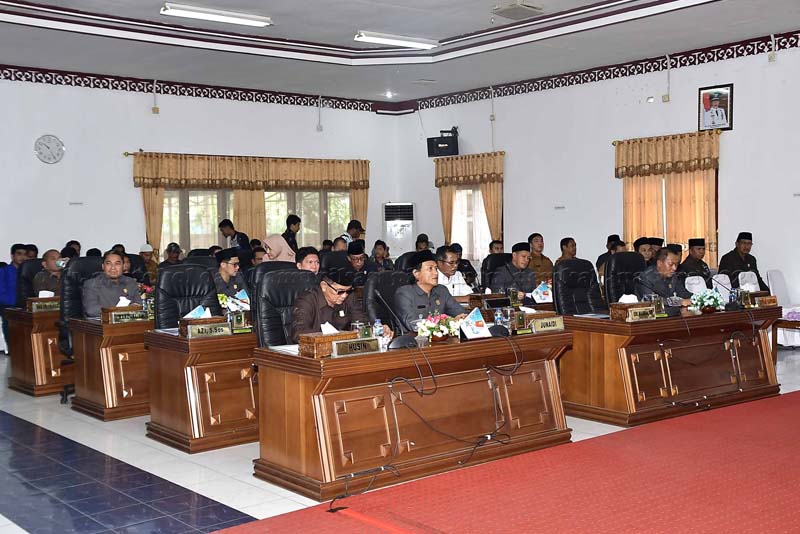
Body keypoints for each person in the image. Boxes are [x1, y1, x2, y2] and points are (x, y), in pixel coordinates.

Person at [290, 270, 389, 344]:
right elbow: (299, 333)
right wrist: (339, 336)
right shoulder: (306, 301)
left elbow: (361, 323)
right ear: (324, 286)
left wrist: (377, 330)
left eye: (348, 291)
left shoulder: (350, 297)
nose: (344, 295)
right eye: (340, 291)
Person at [394, 250, 465, 333]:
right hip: (413, 339)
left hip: (442, 339)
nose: (436, 273)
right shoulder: (404, 294)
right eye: (430, 268)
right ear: (416, 273)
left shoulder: (442, 290)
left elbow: (461, 314)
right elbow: (414, 325)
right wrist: (450, 322)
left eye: (436, 268)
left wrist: (461, 318)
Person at [82, 251, 142, 317]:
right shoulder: (92, 284)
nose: (113, 268)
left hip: (128, 322)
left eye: (117, 264)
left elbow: (139, 306)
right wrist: (124, 310)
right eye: (108, 264)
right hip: (103, 322)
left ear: (123, 266)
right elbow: (92, 310)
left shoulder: (130, 282)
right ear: (103, 266)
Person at [0, 244, 29, 343]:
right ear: (12, 256)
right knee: (10, 329)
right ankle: (12, 349)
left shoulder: (28, 271)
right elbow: (1, 294)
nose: (22, 257)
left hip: (25, 306)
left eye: (25, 254)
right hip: (8, 306)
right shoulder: (3, 271)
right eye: (19, 254)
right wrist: (17, 302)